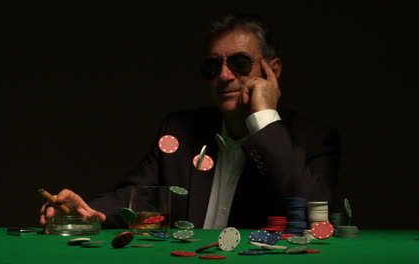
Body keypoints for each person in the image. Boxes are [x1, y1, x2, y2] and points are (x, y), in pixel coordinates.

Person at [40, 13, 341, 232]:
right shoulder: (178, 131)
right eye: (213, 65)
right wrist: (86, 211)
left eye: (239, 63)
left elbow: (317, 216)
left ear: (272, 70)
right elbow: (134, 198)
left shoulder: (313, 139)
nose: (224, 76)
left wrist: (263, 119)